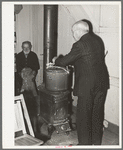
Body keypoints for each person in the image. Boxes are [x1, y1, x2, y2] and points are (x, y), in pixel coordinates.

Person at [52, 19, 110, 145]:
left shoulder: (80, 44)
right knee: (97, 115)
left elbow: (64, 61)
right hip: (101, 83)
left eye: (73, 32)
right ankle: (96, 142)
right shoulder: (97, 40)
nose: (73, 35)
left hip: (87, 86)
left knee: (83, 116)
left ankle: (84, 145)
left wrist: (57, 59)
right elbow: (88, 59)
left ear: (78, 31)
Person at [16, 41, 40, 134]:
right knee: (22, 100)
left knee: (33, 101)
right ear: (22, 47)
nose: (26, 49)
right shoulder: (18, 56)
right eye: (24, 47)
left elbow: (36, 67)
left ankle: (34, 124)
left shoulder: (33, 55)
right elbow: (18, 68)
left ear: (31, 46)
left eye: (28, 47)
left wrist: (32, 74)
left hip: (31, 79)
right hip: (21, 80)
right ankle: (22, 122)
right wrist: (22, 74)